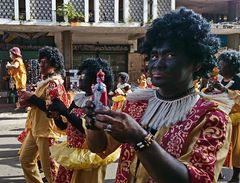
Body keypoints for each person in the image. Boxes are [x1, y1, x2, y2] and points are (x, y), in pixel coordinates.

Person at [84, 8, 232, 183]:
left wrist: (140, 139)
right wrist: (93, 124)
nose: (158, 64)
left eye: (170, 55)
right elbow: (99, 147)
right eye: (154, 55)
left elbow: (198, 179)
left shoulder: (212, 117)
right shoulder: (137, 104)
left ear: (197, 63)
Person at [47, 58, 119, 183]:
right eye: (79, 74)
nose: (79, 77)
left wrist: (64, 110)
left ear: (94, 79)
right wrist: (57, 115)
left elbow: (86, 127)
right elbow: (65, 125)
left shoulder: (102, 101)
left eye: (83, 75)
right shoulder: (78, 98)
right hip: (71, 153)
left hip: (89, 156)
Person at [19, 46, 69, 183]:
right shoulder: (44, 81)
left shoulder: (54, 83)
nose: (41, 64)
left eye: (45, 62)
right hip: (35, 128)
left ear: (54, 65)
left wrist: (32, 98)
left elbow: (53, 108)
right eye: (40, 61)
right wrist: (28, 101)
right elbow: (40, 103)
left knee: (50, 169)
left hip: (46, 130)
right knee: (25, 160)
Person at [205, 50, 240, 183]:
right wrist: (208, 90)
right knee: (216, 146)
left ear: (232, 66)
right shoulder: (217, 79)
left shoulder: (239, 80)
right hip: (219, 118)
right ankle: (217, 172)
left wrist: (225, 90)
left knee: (236, 149)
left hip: (236, 119)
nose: (219, 67)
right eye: (219, 64)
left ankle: (236, 176)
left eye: (222, 64)